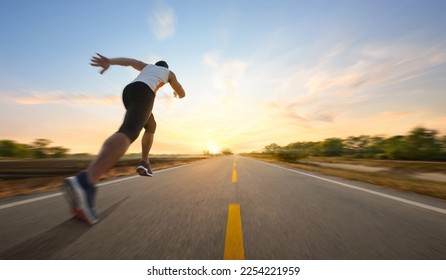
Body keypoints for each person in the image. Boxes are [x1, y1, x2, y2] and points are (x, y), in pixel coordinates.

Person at [62, 53, 186, 225]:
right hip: (145, 93)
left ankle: (144, 162)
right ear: (166, 68)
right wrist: (175, 91)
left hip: (130, 91)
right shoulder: (169, 73)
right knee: (129, 131)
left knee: (150, 125)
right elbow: (183, 93)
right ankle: (86, 180)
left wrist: (109, 62)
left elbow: (130, 62)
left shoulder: (147, 67)